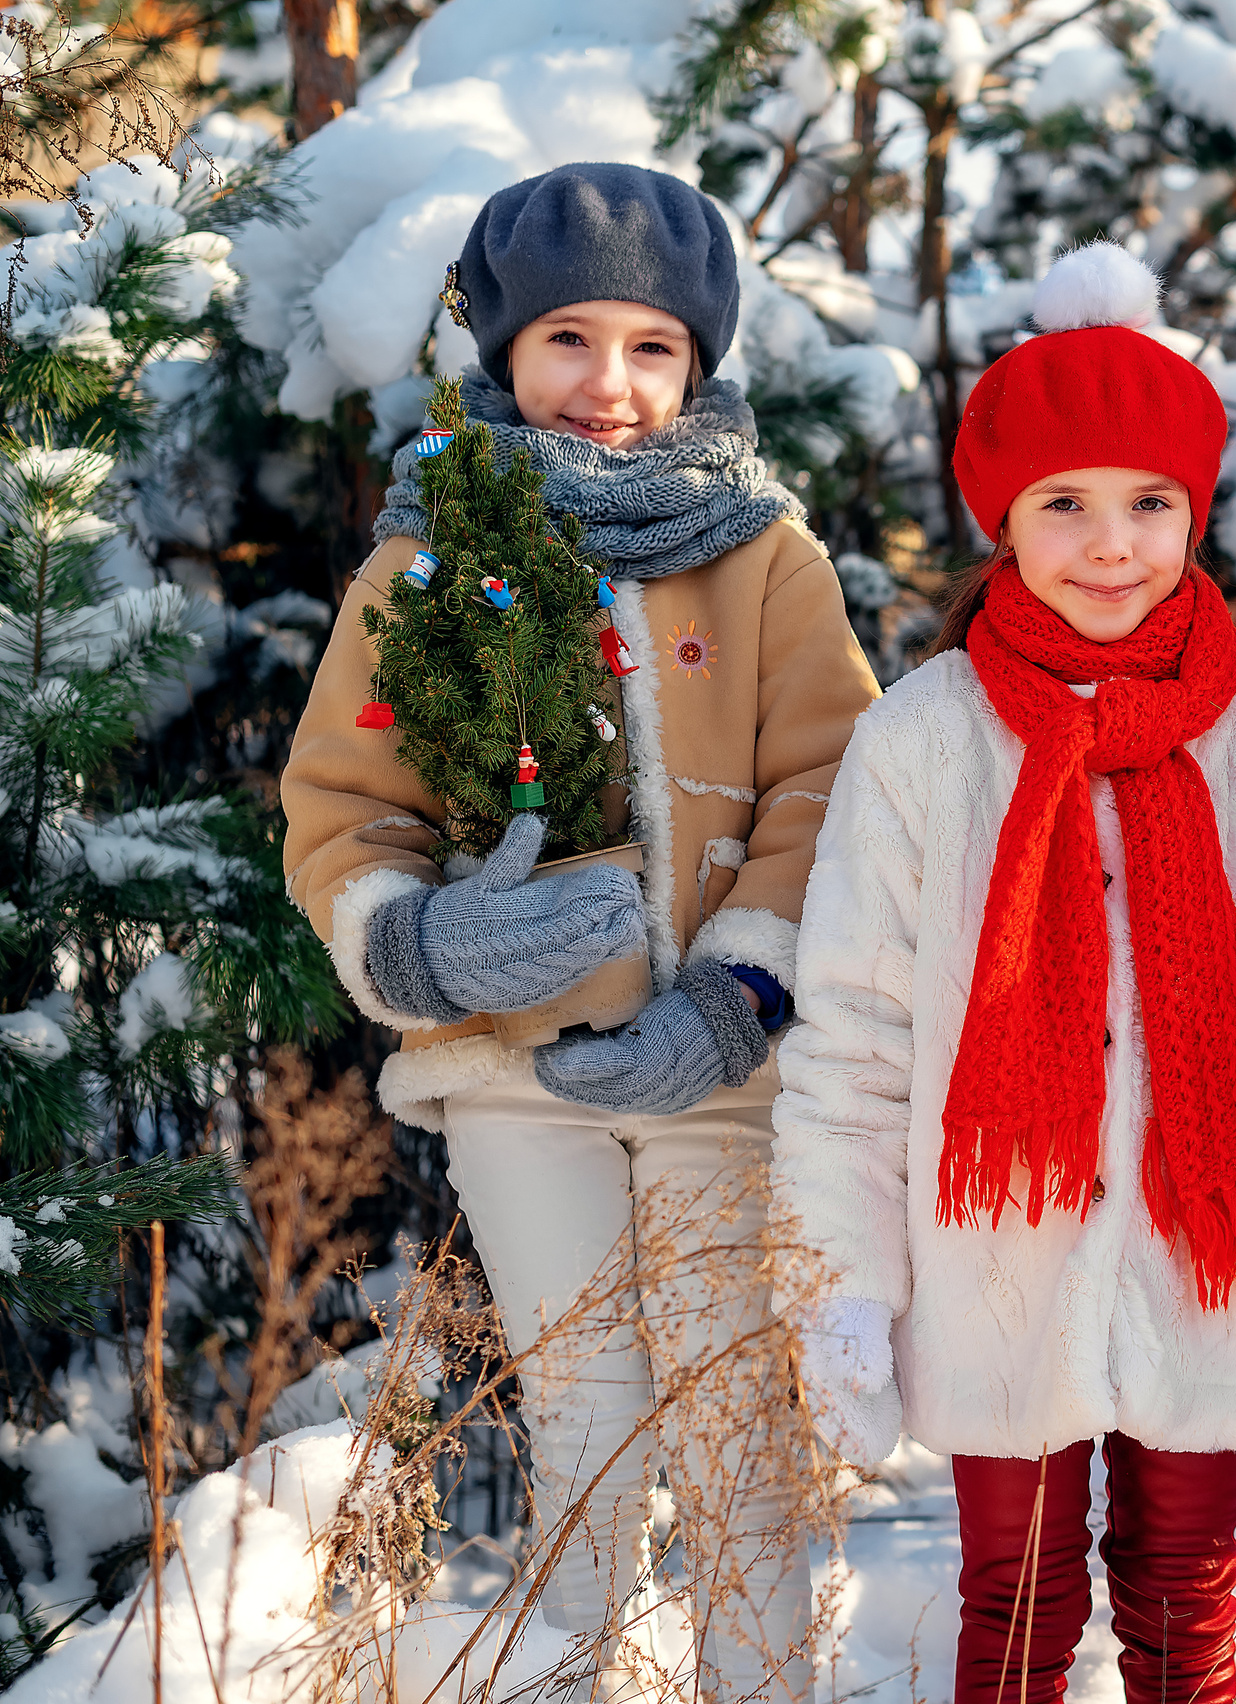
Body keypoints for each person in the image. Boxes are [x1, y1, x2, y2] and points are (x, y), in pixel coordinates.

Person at [281, 162, 879, 1702]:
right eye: (566, 341)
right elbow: (349, 800)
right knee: (588, 1420)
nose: (608, 384)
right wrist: (419, 945)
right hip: (509, 1077)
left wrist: (740, 992)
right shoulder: (427, 553)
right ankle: (586, 1680)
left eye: (650, 347)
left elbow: (835, 783)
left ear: (698, 362)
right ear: (501, 350)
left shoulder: (762, 553)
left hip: (717, 1078)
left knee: (739, 1427)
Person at [769, 244, 1236, 1704]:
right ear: (1005, 522)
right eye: (1067, 506)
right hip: (997, 1258)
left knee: (1187, 1602)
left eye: (1150, 504)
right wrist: (842, 1282)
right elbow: (854, 1026)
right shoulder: (924, 737)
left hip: (1210, 1255)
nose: (1113, 545)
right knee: (1015, 1601)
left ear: (1195, 511)